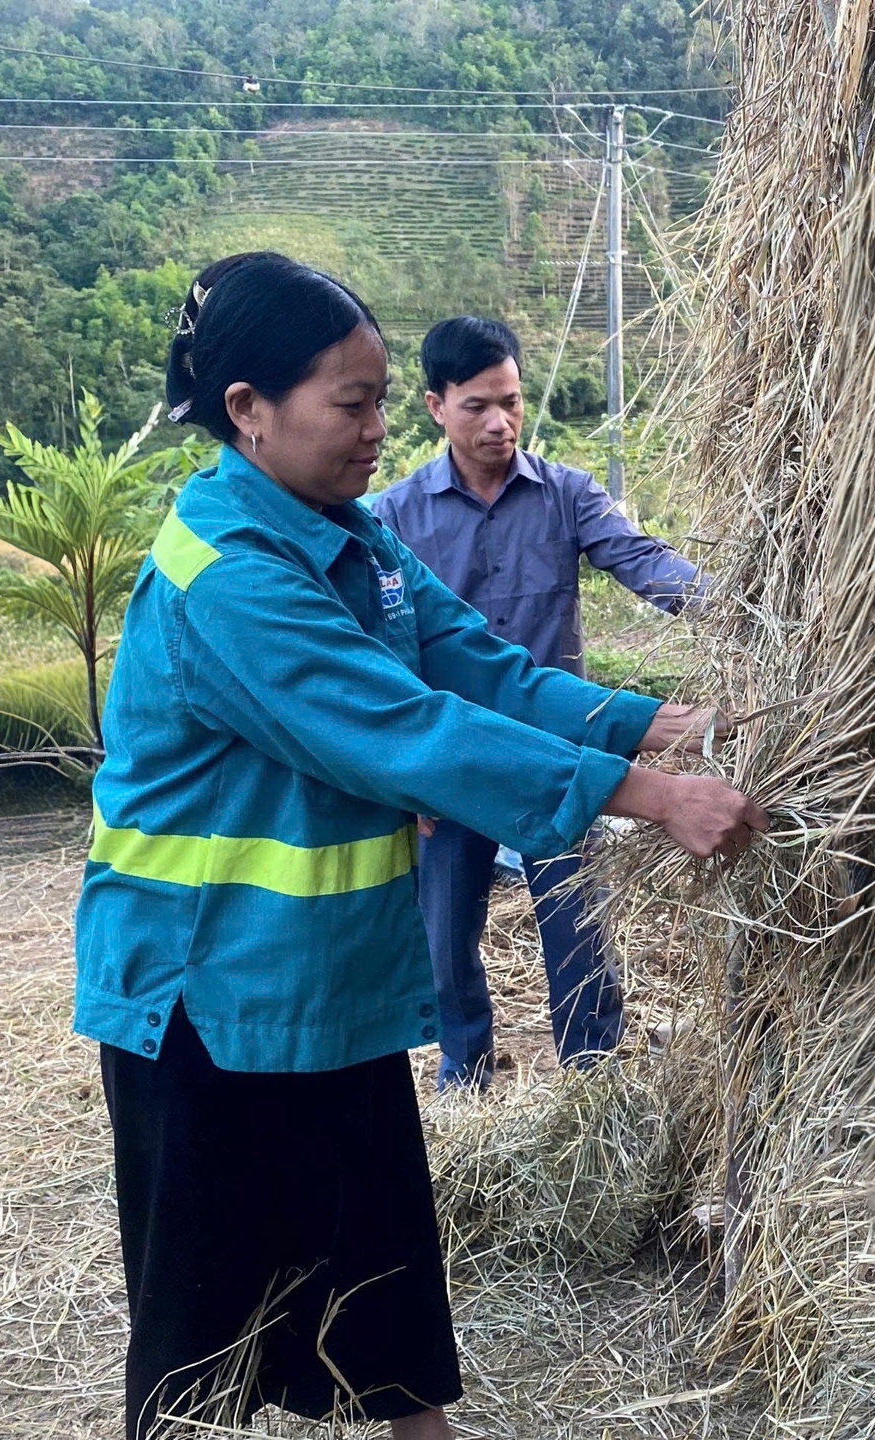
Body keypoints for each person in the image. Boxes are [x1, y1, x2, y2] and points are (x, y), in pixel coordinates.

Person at [74, 253, 767, 1440]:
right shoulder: (224, 579)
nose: (376, 430)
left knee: (381, 1269)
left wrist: (654, 722)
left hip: (325, 982)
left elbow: (476, 663)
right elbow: (405, 730)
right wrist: (647, 795)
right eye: (351, 404)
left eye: (382, 401)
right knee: (204, 1336)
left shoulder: (347, 536)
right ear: (247, 408)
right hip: (204, 998)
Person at [374, 317, 708, 1089]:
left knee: (576, 917)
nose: (499, 422)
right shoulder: (394, 517)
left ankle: (595, 1076)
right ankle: (466, 1074)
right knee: (445, 929)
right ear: (436, 406)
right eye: (477, 406)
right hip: (451, 755)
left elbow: (647, 564)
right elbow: (383, 648)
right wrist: (398, 774)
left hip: (559, 752)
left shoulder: (567, 494)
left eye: (512, 402)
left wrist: (740, 609)